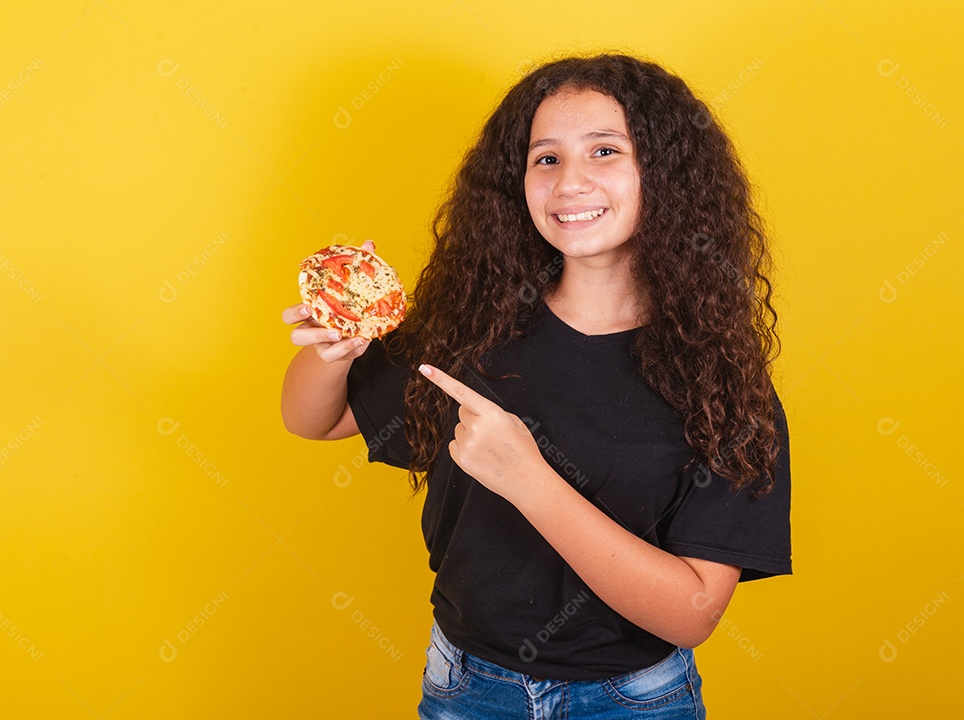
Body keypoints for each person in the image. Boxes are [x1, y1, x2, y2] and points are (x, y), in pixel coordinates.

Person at [281, 53, 791, 719]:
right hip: (465, 687)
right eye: (545, 158)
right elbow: (316, 420)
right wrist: (337, 347)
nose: (569, 182)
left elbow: (692, 614)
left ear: (665, 173)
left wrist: (528, 480)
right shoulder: (471, 325)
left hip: (633, 701)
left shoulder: (720, 380)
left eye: (605, 150)